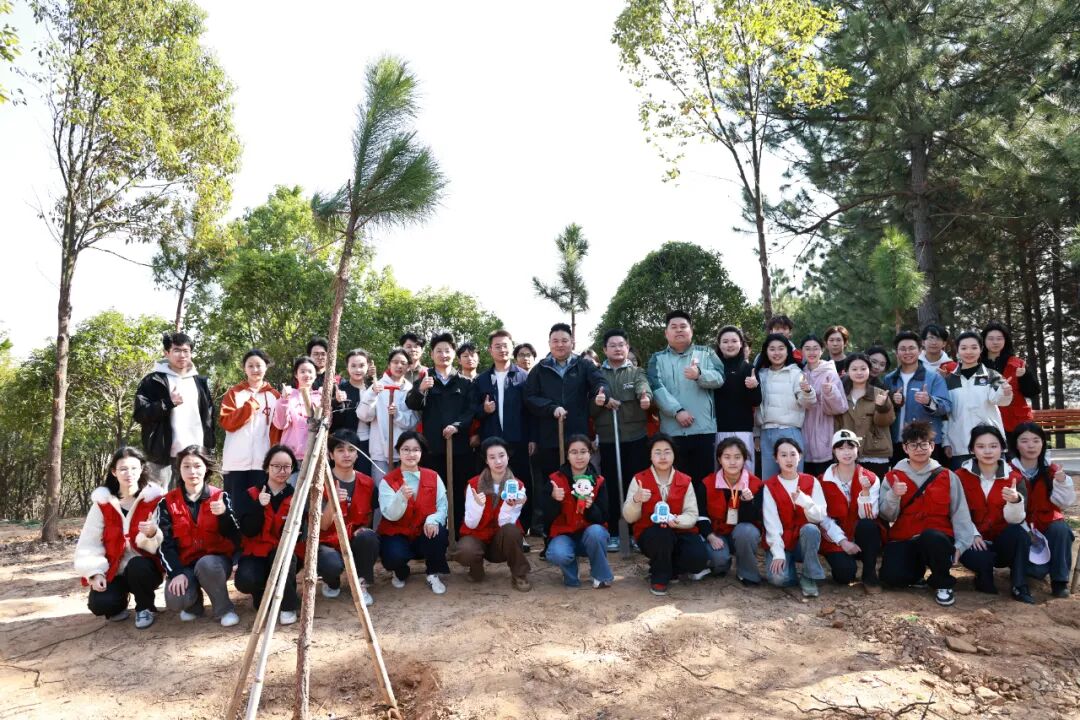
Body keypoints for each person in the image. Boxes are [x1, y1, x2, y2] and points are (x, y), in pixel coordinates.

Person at [879, 421, 975, 606]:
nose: (919, 449)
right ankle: (916, 574)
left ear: (932, 446)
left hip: (938, 538)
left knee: (932, 537)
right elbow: (887, 516)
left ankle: (943, 583)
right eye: (913, 445)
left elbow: (960, 513)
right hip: (905, 536)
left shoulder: (948, 476)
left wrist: (961, 545)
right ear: (905, 448)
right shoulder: (893, 477)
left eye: (924, 444)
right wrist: (893, 495)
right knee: (891, 577)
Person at [73, 447, 165, 629]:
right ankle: (119, 602)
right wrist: (95, 572)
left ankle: (145, 607)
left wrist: (152, 533)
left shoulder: (154, 500)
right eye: (123, 469)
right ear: (114, 472)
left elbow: (165, 542)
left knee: (138, 565)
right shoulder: (103, 503)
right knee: (101, 604)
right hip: (114, 569)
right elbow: (89, 542)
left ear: (141, 469)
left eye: (133, 468)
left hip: (145, 569)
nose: (128, 473)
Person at [646, 310, 725, 506]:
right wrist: (677, 411)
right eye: (673, 327)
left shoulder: (706, 353)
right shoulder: (657, 358)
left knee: (704, 480)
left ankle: (703, 519)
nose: (679, 330)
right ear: (666, 333)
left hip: (703, 429)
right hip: (672, 431)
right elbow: (656, 387)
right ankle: (678, 519)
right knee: (676, 480)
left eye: (683, 326)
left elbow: (720, 378)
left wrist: (700, 374)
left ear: (691, 330)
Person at [159, 445, 241, 626]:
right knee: (175, 599)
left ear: (206, 468)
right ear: (179, 469)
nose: (192, 471)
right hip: (185, 564)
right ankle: (194, 606)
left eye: (197, 466)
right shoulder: (167, 501)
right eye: (186, 466)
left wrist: (224, 514)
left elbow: (235, 535)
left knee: (207, 565)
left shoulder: (219, 496)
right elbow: (164, 543)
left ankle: (224, 609)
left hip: (215, 562)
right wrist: (176, 573)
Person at [406, 333, 476, 534]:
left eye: (447, 351)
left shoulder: (465, 382)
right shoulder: (425, 379)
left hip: (459, 448)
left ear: (454, 354)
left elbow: (471, 411)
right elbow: (412, 404)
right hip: (433, 448)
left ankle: (458, 533)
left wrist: (457, 426)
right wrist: (421, 389)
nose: (443, 355)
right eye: (439, 351)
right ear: (431, 354)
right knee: (434, 492)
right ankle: (436, 534)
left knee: (459, 491)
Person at [622, 434, 709, 596]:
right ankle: (659, 577)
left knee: (698, 558)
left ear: (674, 455)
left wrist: (676, 520)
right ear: (650, 456)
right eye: (657, 452)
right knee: (662, 533)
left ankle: (672, 568)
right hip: (652, 535)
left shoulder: (685, 480)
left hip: (679, 530)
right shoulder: (639, 479)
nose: (662, 457)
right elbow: (629, 517)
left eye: (667, 452)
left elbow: (692, 514)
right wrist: (636, 500)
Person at [955, 425, 1033, 603]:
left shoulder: (1015, 478)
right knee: (979, 559)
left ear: (1002, 448)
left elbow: (1017, 519)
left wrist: (1015, 501)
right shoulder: (959, 476)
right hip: (973, 541)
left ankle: (1019, 585)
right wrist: (972, 534)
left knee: (1019, 534)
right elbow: (956, 511)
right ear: (972, 450)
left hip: (1002, 540)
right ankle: (983, 576)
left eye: (993, 446)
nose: (988, 451)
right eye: (981, 446)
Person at [524, 323, 609, 485]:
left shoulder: (584, 365)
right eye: (555, 341)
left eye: (564, 340)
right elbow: (529, 397)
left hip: (578, 436)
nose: (560, 345)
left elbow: (600, 382)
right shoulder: (540, 369)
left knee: (580, 484)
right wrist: (551, 408)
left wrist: (602, 393)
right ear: (549, 343)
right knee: (552, 483)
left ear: (572, 342)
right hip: (549, 438)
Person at [592, 328, 652, 552]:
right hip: (609, 438)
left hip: (635, 437)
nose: (617, 349)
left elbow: (643, 387)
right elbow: (591, 403)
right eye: (613, 345)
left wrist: (645, 397)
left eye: (621, 345)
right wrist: (599, 401)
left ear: (627, 348)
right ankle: (616, 533)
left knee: (635, 484)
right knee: (611, 485)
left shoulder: (636, 372)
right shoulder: (597, 374)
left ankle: (637, 531)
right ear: (605, 349)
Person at [133, 331, 215, 488]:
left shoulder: (200, 382)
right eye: (177, 350)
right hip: (162, 457)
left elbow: (209, 418)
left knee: (192, 499)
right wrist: (167, 402)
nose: (182, 355)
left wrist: (209, 448)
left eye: (186, 351)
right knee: (159, 498)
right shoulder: (153, 381)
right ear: (166, 353)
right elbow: (140, 414)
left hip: (196, 455)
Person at [474, 330, 535, 532]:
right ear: (490, 350)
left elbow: (531, 410)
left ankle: (522, 529)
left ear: (511, 347)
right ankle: (493, 527)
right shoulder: (482, 380)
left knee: (521, 483)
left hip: (518, 441)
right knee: (492, 485)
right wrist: (483, 410)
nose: (502, 349)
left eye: (505, 345)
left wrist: (532, 438)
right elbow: (472, 411)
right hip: (491, 443)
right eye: (497, 346)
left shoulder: (524, 377)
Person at [234, 445, 302, 625]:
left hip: (283, 552)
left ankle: (288, 605)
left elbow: (301, 530)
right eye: (276, 466)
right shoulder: (251, 494)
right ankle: (262, 592)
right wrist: (258, 506)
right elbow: (248, 530)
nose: (282, 471)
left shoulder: (295, 496)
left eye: (287, 467)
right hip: (255, 552)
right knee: (246, 580)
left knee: (284, 557)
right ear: (267, 467)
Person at [455, 437, 533, 591]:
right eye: (492, 457)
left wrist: (511, 505)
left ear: (508, 456)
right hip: (477, 536)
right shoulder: (473, 484)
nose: (498, 461)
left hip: (501, 541)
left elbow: (506, 524)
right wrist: (478, 506)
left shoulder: (518, 486)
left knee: (512, 531)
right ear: (486, 460)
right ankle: (476, 570)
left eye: (501, 455)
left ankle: (519, 574)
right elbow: (470, 523)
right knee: (465, 550)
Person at [377, 431, 450, 594]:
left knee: (438, 532)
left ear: (421, 452)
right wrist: (401, 497)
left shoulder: (433, 476)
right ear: (399, 451)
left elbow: (442, 507)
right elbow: (390, 514)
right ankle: (400, 571)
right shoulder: (387, 481)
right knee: (393, 556)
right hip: (397, 533)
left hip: (423, 533)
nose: (411, 454)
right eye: (406, 449)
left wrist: (432, 519)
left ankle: (432, 572)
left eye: (416, 450)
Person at [1010, 422, 1075, 598]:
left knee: (1061, 529)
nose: (1031, 446)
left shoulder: (1052, 470)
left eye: (1036, 440)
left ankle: (1060, 581)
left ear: (1043, 444)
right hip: (1019, 525)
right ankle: (1021, 574)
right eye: (1024, 441)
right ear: (1016, 444)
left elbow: (1065, 502)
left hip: (1046, 522)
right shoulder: (1008, 471)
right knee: (1036, 571)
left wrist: (1062, 482)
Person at [316, 430, 379, 606]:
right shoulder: (320, 483)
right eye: (340, 450)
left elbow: (369, 515)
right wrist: (333, 501)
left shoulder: (367, 482)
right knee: (330, 563)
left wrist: (363, 530)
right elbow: (322, 525)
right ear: (330, 454)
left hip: (352, 537)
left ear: (357, 454)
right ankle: (331, 581)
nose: (346, 454)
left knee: (368, 537)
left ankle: (361, 582)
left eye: (351, 450)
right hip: (327, 541)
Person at [761, 437, 830, 597]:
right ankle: (789, 569)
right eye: (783, 455)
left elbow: (821, 515)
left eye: (793, 454)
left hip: (803, 542)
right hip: (782, 541)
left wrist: (805, 502)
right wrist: (778, 553)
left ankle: (808, 576)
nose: (789, 459)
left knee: (811, 529)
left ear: (800, 456)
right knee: (778, 579)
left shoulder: (811, 481)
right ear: (776, 459)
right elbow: (771, 524)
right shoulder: (769, 486)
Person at [818, 430, 884, 593]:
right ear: (834, 451)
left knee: (868, 525)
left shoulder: (871, 478)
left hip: (862, 536)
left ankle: (869, 574)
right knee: (844, 575)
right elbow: (822, 518)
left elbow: (870, 516)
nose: (846, 452)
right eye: (840, 448)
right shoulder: (822, 480)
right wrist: (842, 541)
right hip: (836, 539)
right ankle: (846, 563)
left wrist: (865, 493)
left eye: (850, 447)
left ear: (857, 449)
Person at [544, 435, 613, 588]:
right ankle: (571, 575)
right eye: (574, 452)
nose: (579, 457)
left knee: (596, 533)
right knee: (558, 553)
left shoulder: (599, 481)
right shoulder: (554, 480)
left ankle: (600, 575)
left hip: (589, 536)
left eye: (583, 451)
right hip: (563, 535)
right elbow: (546, 518)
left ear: (590, 454)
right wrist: (553, 499)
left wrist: (591, 507)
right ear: (567, 455)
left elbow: (604, 517)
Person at [942, 332, 1012, 468]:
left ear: (981, 349)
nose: (969, 352)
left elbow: (1000, 400)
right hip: (960, 445)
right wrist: (946, 442)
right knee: (963, 481)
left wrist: (1005, 393)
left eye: (974, 347)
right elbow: (946, 414)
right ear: (957, 351)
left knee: (996, 480)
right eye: (964, 348)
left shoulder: (992, 375)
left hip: (990, 445)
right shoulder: (949, 380)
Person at [699, 437, 763, 585]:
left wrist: (747, 503)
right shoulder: (707, 483)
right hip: (717, 534)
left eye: (737, 457)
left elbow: (755, 519)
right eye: (727, 457)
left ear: (744, 459)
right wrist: (710, 535)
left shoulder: (756, 484)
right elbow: (701, 514)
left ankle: (747, 573)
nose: (732, 462)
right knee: (718, 560)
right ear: (719, 459)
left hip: (741, 533)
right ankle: (722, 564)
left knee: (747, 531)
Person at [220, 349, 281, 500]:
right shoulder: (234, 393)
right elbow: (226, 422)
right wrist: (249, 407)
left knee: (259, 506)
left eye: (259, 365)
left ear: (266, 367)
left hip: (263, 462)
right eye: (250, 366)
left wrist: (274, 458)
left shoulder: (275, 396)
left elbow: (277, 431)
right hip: (235, 462)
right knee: (233, 506)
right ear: (244, 368)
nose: (255, 369)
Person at [883, 331, 951, 466]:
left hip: (925, 443)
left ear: (920, 350)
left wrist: (929, 401)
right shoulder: (890, 379)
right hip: (898, 442)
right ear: (897, 353)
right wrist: (892, 401)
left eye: (911, 348)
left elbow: (946, 407)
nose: (907, 352)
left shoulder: (933, 378)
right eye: (903, 349)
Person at [754, 333, 814, 481]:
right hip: (766, 433)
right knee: (769, 481)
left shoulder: (796, 373)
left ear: (787, 351)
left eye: (781, 348)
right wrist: (757, 434)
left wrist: (807, 391)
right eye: (772, 349)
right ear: (766, 352)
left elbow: (807, 403)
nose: (777, 353)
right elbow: (757, 407)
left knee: (793, 479)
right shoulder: (760, 375)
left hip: (789, 432)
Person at [358, 347, 417, 482]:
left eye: (403, 363)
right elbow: (363, 415)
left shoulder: (410, 389)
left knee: (404, 490)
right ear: (389, 364)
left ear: (408, 366)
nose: (399, 366)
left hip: (405, 451)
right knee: (382, 488)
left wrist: (397, 415)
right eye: (395, 362)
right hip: (380, 450)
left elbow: (414, 420)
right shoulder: (377, 386)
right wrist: (372, 394)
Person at [836, 353, 896, 479]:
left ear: (869, 370)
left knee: (874, 489)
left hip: (875, 452)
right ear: (847, 371)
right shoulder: (841, 394)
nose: (859, 372)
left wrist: (882, 407)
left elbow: (886, 422)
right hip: (848, 452)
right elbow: (837, 424)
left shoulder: (879, 393)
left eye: (863, 369)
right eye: (854, 369)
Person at [712, 325, 761, 473]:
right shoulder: (712, 368)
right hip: (718, 430)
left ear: (741, 344)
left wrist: (754, 387)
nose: (730, 345)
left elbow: (756, 401)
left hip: (743, 430)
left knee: (745, 473)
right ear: (719, 344)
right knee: (720, 474)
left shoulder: (749, 369)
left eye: (734, 341)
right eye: (725, 341)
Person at [799, 335, 848, 477]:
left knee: (824, 479)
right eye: (807, 349)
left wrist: (830, 392)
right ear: (802, 351)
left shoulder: (830, 372)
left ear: (822, 350)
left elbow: (840, 407)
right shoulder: (799, 373)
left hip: (824, 431)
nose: (811, 352)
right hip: (803, 432)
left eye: (815, 348)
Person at [981, 321, 1039, 434]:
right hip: (987, 421)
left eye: (999, 338)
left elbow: (1033, 392)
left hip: (1016, 423)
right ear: (983, 340)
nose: (995, 342)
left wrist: (1024, 376)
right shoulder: (976, 364)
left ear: (1005, 340)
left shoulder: (1017, 363)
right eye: (991, 339)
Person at [272, 355, 323, 463]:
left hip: (315, 455)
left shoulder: (320, 397)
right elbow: (280, 424)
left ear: (315, 375)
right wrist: (284, 400)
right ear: (296, 374)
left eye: (310, 371)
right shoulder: (289, 395)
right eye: (302, 371)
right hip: (291, 456)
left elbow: (327, 424)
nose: (307, 374)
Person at [330, 348, 373, 475]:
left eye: (361, 365)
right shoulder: (340, 389)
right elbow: (333, 421)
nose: (358, 370)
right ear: (347, 367)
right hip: (344, 443)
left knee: (364, 478)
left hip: (369, 443)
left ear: (368, 366)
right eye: (353, 366)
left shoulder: (373, 389)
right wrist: (337, 402)